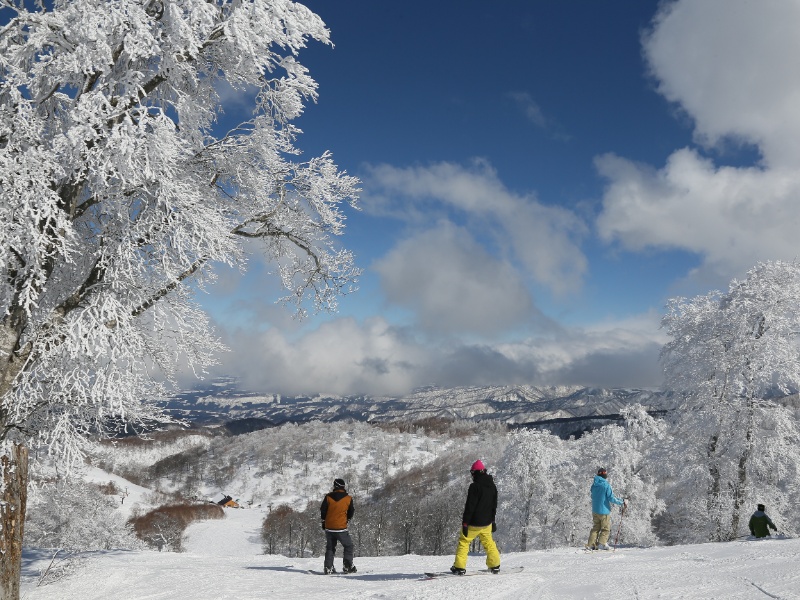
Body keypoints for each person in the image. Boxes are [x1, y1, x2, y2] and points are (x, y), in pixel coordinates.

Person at [450, 459, 501, 575]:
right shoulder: (492, 486)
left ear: (475, 472)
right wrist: (493, 521)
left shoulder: (474, 487)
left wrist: (465, 523)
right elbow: (494, 505)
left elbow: (470, 507)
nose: (471, 475)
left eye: (472, 472)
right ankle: (495, 565)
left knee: (464, 542)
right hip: (487, 523)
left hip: (473, 523)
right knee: (489, 543)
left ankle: (459, 567)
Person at [320, 478, 356, 574]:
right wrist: (347, 519)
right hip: (341, 527)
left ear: (335, 486)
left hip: (329, 527)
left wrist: (324, 521)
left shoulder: (328, 497)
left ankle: (328, 568)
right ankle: (347, 566)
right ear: (343, 487)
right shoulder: (348, 498)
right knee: (348, 546)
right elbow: (351, 511)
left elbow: (323, 510)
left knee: (330, 548)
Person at [586, 467, 627, 551]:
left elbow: (592, 496)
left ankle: (591, 544)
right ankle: (602, 543)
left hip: (595, 510)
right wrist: (622, 502)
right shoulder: (606, 485)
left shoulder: (594, 485)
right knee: (605, 528)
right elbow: (611, 498)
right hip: (604, 511)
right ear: (605, 475)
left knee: (595, 528)